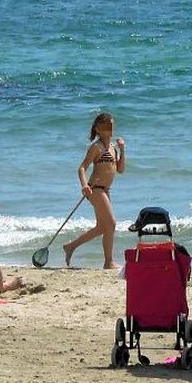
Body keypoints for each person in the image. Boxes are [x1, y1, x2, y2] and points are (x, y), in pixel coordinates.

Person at [63, 113, 125, 269]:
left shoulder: (112, 148)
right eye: (106, 126)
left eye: (111, 125)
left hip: (106, 190)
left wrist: (122, 150)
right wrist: (84, 185)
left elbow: (121, 169)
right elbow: (82, 167)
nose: (110, 129)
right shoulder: (96, 147)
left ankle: (71, 246)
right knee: (111, 224)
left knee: (102, 227)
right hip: (95, 189)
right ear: (98, 129)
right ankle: (108, 262)